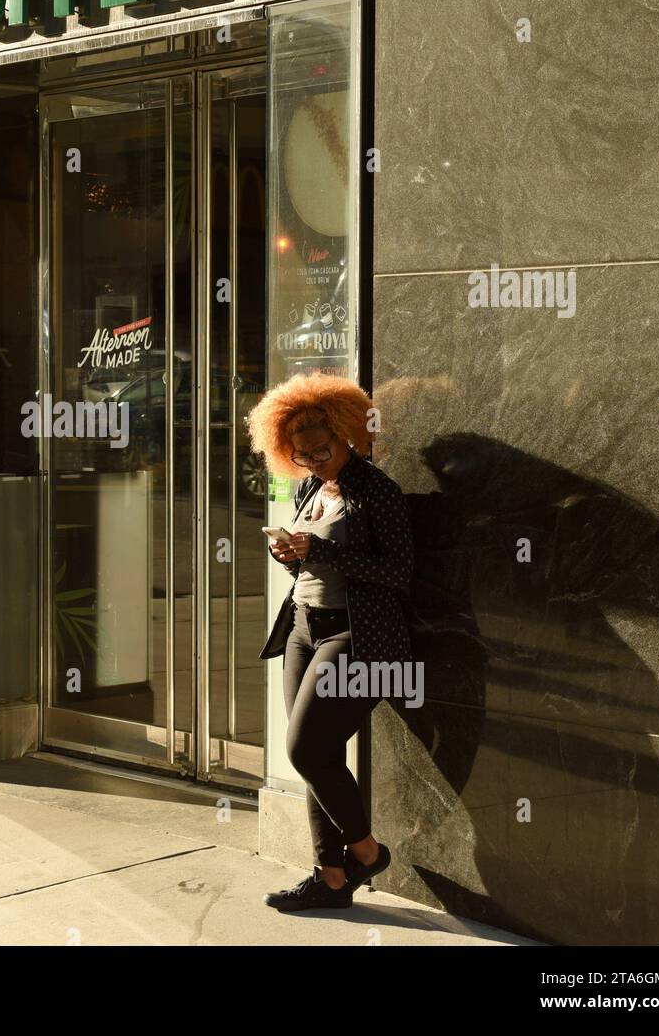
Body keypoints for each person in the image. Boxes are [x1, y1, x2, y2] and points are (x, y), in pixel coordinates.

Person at [246, 371, 414, 912]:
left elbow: (401, 573)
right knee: (318, 756)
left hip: (354, 634)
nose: (313, 461)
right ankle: (332, 876)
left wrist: (320, 553)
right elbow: (311, 558)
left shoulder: (378, 492)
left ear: (348, 435)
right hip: (302, 626)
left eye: (321, 450)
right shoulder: (309, 486)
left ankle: (366, 851)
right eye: (302, 455)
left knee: (306, 749)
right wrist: (290, 554)